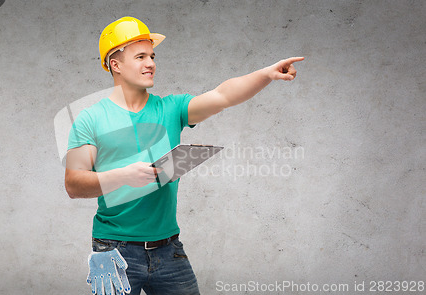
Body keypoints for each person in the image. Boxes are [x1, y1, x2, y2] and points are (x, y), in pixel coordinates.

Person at [65, 16, 304, 295]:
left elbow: (223, 96)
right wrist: (124, 175)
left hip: (168, 250)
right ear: (115, 65)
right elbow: (74, 183)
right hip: (114, 252)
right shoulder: (91, 119)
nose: (151, 63)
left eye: (152, 56)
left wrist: (266, 74)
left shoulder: (172, 108)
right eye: (140, 56)